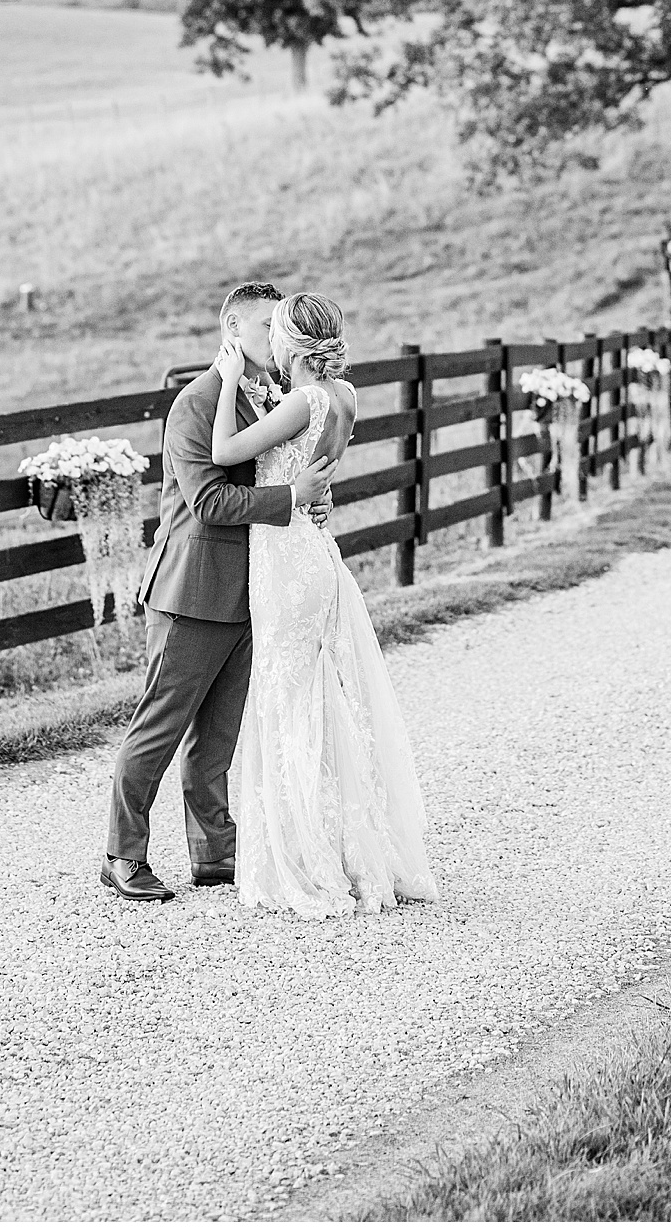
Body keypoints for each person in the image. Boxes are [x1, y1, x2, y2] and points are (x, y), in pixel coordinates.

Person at [102, 281, 335, 901]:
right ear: (233, 331)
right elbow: (207, 502)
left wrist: (311, 495)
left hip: (253, 590)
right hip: (193, 592)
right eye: (267, 328)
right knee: (159, 727)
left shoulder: (273, 397)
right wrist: (291, 500)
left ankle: (214, 850)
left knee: (219, 735)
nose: (277, 339)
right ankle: (122, 854)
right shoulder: (196, 405)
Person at [215, 291, 437, 916]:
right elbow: (312, 469)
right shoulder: (346, 397)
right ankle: (347, 847)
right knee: (321, 698)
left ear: (290, 343)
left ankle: (308, 859)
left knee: (289, 703)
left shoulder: (304, 399)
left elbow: (226, 454)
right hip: (315, 548)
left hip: (285, 555)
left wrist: (231, 376)